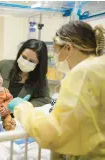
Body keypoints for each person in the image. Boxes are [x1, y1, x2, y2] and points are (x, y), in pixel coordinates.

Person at [8, 21, 105, 160]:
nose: (56, 57)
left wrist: (22, 108)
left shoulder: (84, 72)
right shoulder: (99, 67)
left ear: (68, 48)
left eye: (56, 51)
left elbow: (53, 134)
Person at [0, 39, 51, 107]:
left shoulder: (40, 78)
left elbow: (45, 99)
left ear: (38, 64)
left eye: (31, 61)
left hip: (17, 115)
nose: (25, 62)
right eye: (24, 57)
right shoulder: (3, 65)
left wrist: (25, 104)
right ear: (20, 53)